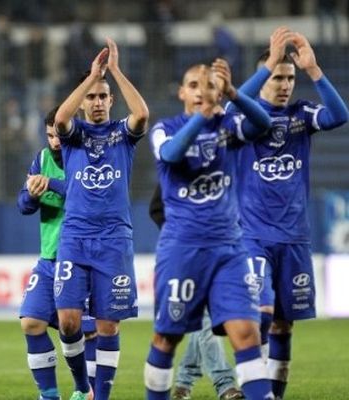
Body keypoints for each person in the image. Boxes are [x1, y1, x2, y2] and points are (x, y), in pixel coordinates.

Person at [144, 58, 273, 400]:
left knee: (247, 333)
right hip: (182, 250)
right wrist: (202, 117)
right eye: (194, 85)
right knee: (167, 338)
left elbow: (262, 123)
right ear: (181, 92)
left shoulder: (228, 126)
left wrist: (235, 93)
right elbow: (171, 155)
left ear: (219, 93)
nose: (202, 91)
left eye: (210, 86)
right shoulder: (165, 128)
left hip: (229, 250)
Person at [231, 29, 348, 399]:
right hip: (252, 236)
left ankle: (274, 396)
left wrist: (313, 70)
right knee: (260, 316)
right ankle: (255, 389)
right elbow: (233, 103)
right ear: (265, 76)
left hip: (295, 237)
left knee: (283, 325)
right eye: (277, 77)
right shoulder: (244, 120)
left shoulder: (301, 114)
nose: (284, 84)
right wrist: (266, 66)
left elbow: (339, 116)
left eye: (288, 78)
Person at [53, 38, 150, 400]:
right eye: (91, 97)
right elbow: (61, 118)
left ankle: (102, 396)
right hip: (75, 237)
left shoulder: (121, 135)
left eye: (102, 97)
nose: (96, 102)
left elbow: (142, 115)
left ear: (111, 101)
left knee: (108, 324)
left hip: (113, 238)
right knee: (68, 321)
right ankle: (82, 387)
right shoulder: (75, 135)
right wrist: (91, 77)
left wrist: (116, 72)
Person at [17, 107, 98, 400]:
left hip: (81, 257)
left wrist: (50, 184)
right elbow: (23, 206)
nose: (54, 141)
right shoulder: (41, 159)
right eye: (49, 135)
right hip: (49, 258)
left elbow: (85, 193)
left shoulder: (87, 156)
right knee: (31, 322)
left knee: (84, 329)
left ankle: (84, 390)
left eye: (58, 134)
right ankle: (50, 395)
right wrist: (31, 193)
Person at [149, 187, 244, 400]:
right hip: (185, 255)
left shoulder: (220, 173)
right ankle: (225, 384)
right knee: (203, 320)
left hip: (221, 252)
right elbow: (156, 207)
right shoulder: (175, 170)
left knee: (202, 322)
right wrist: (177, 233)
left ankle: (184, 381)